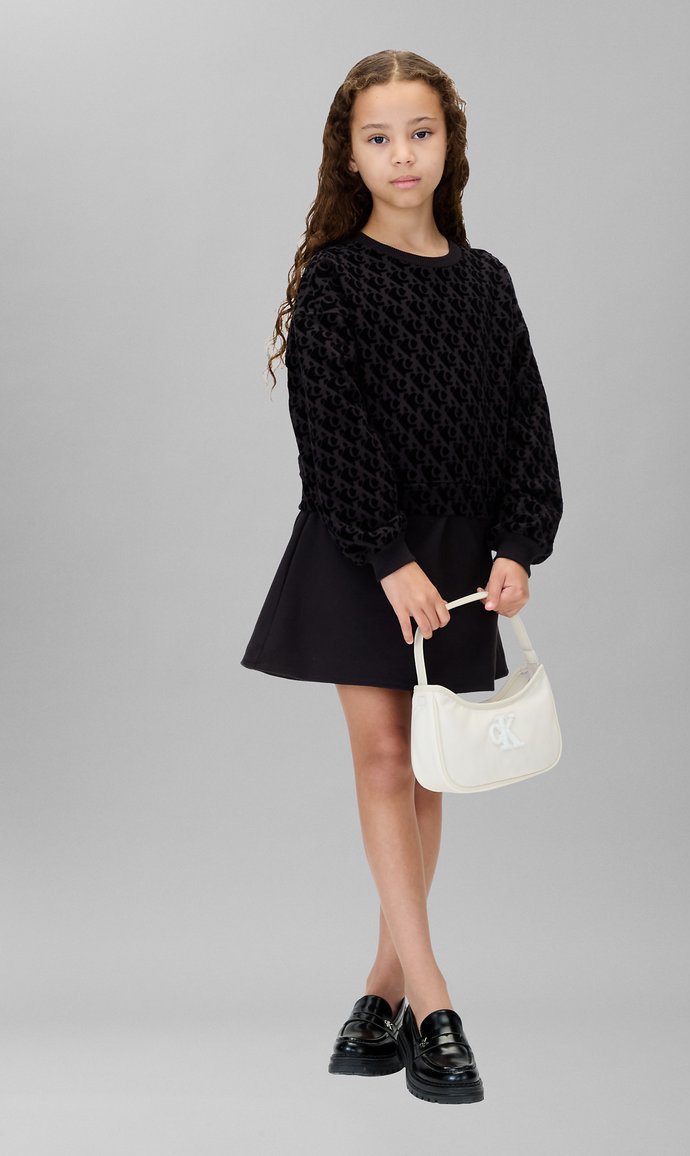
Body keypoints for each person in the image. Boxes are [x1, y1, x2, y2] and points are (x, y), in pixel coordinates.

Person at [240, 49, 563, 1105]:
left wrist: (516, 546)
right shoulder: (336, 279)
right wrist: (389, 559)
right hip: (362, 550)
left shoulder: (485, 281)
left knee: (428, 771)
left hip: (461, 560)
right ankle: (434, 1002)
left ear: (448, 142)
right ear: (349, 155)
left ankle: (378, 994)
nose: (401, 154)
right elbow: (327, 431)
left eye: (419, 132)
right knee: (384, 760)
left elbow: (525, 421)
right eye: (378, 137)